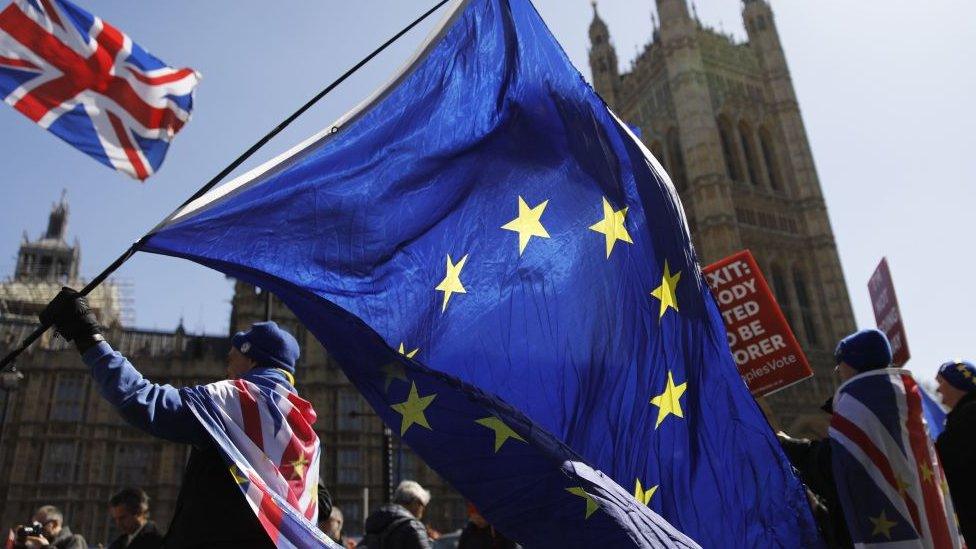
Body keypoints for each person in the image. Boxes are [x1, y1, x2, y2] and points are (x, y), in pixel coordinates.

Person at [40, 288, 318, 548]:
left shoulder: (238, 399)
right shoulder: (307, 433)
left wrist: (88, 336)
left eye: (230, 360)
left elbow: (144, 401)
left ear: (252, 361)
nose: (227, 370)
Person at [935, 359, 976, 546]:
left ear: (956, 383)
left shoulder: (968, 418)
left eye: (941, 382)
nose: (937, 390)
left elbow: (944, 456)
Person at [359, 481, 432, 549]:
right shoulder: (413, 526)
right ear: (415, 503)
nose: (423, 510)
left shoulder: (377, 524)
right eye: (423, 505)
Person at [16, 505, 87, 549]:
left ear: (54, 524)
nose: (36, 530)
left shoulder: (75, 540)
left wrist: (45, 547)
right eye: (33, 527)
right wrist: (20, 543)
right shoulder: (38, 544)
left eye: (39, 526)